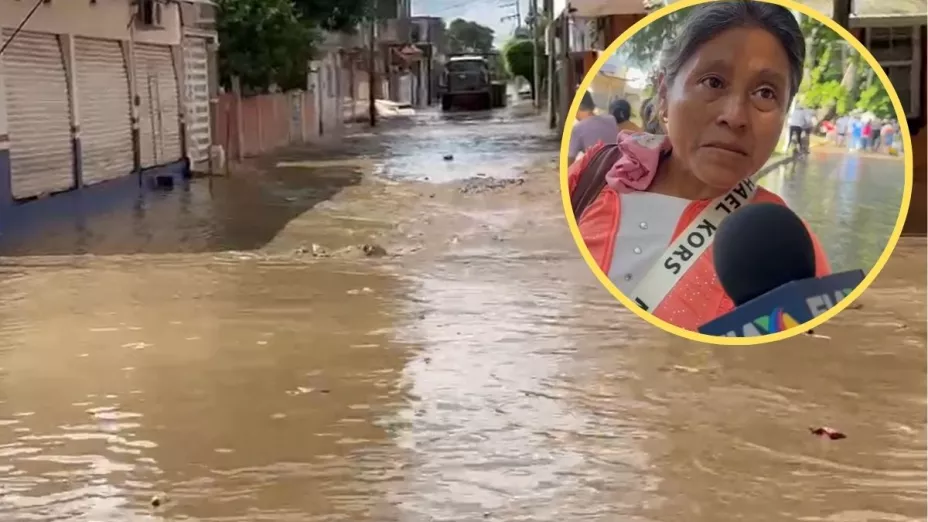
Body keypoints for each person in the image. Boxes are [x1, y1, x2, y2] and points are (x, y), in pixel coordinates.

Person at [566, 1, 831, 332]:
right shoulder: (594, 174)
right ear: (664, 96)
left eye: (765, 93)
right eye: (713, 82)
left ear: (784, 116)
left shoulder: (787, 250)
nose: (735, 116)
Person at [567, 91, 619, 164]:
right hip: (615, 169)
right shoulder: (611, 120)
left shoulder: (578, 128)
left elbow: (568, 162)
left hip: (596, 172)